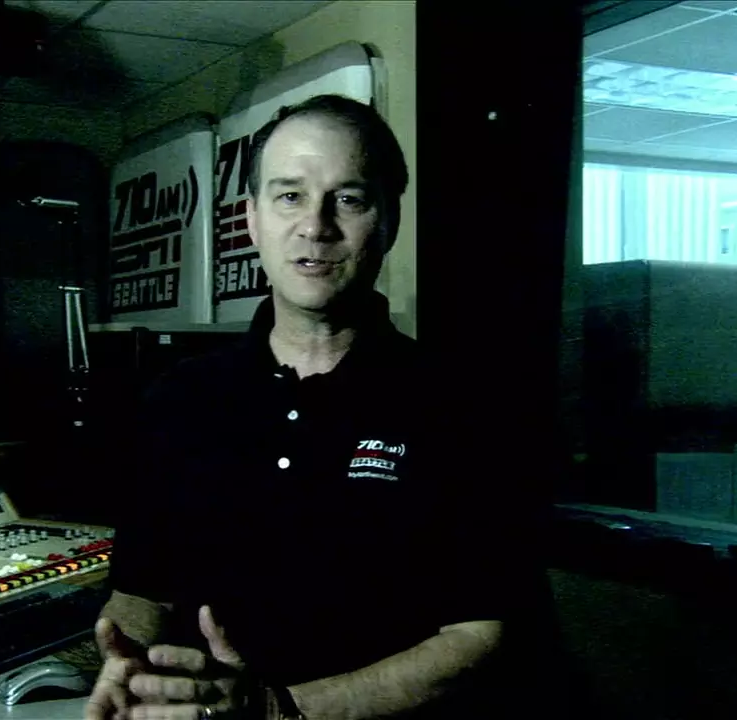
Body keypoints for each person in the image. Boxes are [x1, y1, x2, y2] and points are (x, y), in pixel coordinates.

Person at [85, 94, 507, 720]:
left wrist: (278, 710)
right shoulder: (180, 397)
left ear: (389, 220)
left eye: (349, 199)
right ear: (252, 219)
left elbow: (479, 635)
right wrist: (128, 661)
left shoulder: (460, 405)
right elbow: (142, 589)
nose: (316, 226)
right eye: (289, 196)